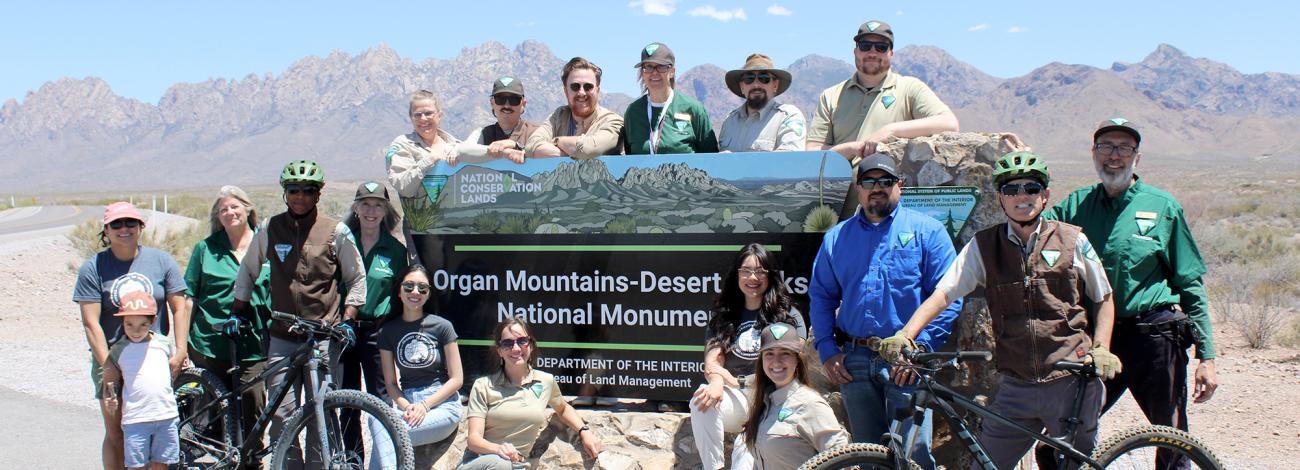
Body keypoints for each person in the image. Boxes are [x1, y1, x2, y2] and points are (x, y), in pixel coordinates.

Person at [889, 151, 1121, 469]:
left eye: (1031, 188)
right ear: (1001, 197)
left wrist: (1102, 349)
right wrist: (906, 334)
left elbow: (1104, 296)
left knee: (1074, 465)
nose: (1021, 196)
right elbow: (942, 294)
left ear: (1045, 195)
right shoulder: (984, 246)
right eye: (1012, 189)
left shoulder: (1072, 240)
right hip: (1016, 386)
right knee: (986, 466)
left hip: (1069, 379)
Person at [1046, 118, 1218, 469]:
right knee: (1060, 437)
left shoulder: (1162, 207)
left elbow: (1190, 284)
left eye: (1124, 148)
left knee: (1170, 437)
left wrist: (1208, 357)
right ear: (1093, 154)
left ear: (1137, 157)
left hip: (1154, 337)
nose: (1115, 156)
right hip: (1098, 341)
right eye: (1107, 147)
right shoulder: (1074, 206)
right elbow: (1032, 227)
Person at [807, 154, 960, 469]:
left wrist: (922, 347)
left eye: (885, 181)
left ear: (899, 186)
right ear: (858, 188)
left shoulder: (927, 232)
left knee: (913, 455)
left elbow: (949, 297)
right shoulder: (836, 239)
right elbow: (821, 296)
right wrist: (827, 349)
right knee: (867, 457)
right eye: (869, 181)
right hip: (854, 361)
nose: (877, 188)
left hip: (907, 361)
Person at [232, 159, 367, 469]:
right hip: (282, 336)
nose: (300, 196)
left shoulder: (336, 230)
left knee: (321, 410)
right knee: (282, 413)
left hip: (322, 337)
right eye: (294, 190)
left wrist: (348, 318)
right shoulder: (270, 228)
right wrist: (237, 310)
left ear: (318, 195)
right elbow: (248, 270)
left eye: (308, 190)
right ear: (285, 192)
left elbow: (356, 277)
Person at [74, 201, 188, 470]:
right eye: (116, 224)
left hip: (154, 360)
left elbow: (180, 307)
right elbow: (91, 323)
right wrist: (110, 365)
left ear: (140, 227)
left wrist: (181, 349)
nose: (124, 229)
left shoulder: (161, 261)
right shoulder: (94, 268)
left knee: (155, 430)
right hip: (111, 357)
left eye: (130, 223)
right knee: (118, 432)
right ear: (106, 230)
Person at [806, 20, 960, 218]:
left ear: (891, 53)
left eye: (881, 47)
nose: (872, 52)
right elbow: (812, 153)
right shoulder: (831, 96)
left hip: (890, 212)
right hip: (839, 213)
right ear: (855, 51)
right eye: (865, 46)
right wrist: (853, 148)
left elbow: (949, 123)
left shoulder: (909, 89)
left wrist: (890, 131)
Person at [691, 243, 807, 470]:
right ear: (737, 275)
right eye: (746, 271)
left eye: (760, 271)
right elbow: (712, 360)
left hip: (771, 398)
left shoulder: (788, 315)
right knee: (701, 399)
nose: (752, 277)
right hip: (737, 393)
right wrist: (716, 381)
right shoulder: (724, 316)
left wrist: (760, 382)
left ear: (770, 275)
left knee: (745, 453)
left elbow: (793, 359)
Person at [183, 185, 271, 459]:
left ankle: (253, 462)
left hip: (255, 344)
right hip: (211, 345)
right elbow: (188, 298)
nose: (230, 212)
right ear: (217, 217)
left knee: (253, 410)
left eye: (235, 206)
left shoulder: (266, 243)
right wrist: (181, 347)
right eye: (223, 209)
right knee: (219, 416)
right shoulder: (206, 249)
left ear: (248, 209)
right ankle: (222, 460)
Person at [460, 318, 601, 469]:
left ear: (531, 345)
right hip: (482, 462)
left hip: (518, 466)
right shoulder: (483, 386)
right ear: (499, 350)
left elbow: (563, 408)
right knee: (501, 465)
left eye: (522, 341)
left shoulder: (545, 381)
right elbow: (474, 440)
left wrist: (584, 431)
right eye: (507, 343)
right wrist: (498, 450)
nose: (516, 348)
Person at [339, 181, 411, 459]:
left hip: (376, 334)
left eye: (378, 205)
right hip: (344, 333)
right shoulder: (343, 243)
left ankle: (384, 460)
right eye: (365, 204)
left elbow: (399, 295)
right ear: (356, 208)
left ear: (385, 210)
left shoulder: (394, 249)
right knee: (346, 400)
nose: (371, 211)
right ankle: (351, 459)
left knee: (381, 401)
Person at [386, 90, 522, 232]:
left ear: (439, 115)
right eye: (417, 114)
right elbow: (404, 187)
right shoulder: (403, 145)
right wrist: (429, 160)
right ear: (411, 118)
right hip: (422, 232)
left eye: (428, 113)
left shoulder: (455, 146)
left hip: (456, 229)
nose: (423, 118)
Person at [369, 265, 464, 469]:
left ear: (429, 294)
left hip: (441, 405)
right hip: (408, 406)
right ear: (399, 291)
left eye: (422, 288)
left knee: (386, 433)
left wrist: (424, 406)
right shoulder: (387, 331)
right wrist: (408, 406)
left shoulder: (442, 326)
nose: (415, 292)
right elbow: (391, 384)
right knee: (375, 420)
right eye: (409, 286)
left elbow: (457, 379)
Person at [744, 323, 849, 469]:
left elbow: (843, 460)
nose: (776, 361)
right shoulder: (764, 404)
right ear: (761, 360)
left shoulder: (810, 404)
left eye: (785, 353)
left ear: (797, 360)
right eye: (769, 353)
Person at [103, 291, 180, 470]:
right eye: (129, 324)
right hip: (136, 419)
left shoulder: (163, 344)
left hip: (166, 416)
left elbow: (169, 373)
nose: (135, 331)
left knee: (162, 463)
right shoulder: (119, 349)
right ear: (122, 322)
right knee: (136, 465)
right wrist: (111, 396)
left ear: (152, 320)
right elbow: (110, 379)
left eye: (142, 324)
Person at [623, 42, 719, 155]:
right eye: (648, 67)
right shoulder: (633, 112)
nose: (654, 72)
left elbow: (711, 157)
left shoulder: (693, 108)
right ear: (642, 73)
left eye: (661, 67)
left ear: (672, 72)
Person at [525, 57, 625, 159]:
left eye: (588, 87)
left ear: (597, 91)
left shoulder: (613, 121)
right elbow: (531, 147)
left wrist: (555, 141)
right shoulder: (558, 116)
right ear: (566, 91)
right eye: (575, 86)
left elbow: (588, 150)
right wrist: (568, 153)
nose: (581, 92)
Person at [718, 54, 806, 152]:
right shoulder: (730, 121)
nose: (756, 84)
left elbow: (789, 161)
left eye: (764, 78)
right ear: (742, 86)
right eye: (749, 78)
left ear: (775, 85)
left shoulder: (787, 117)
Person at [465, 76, 539, 157]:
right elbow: (464, 151)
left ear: (523, 104)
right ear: (492, 103)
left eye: (514, 100)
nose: (507, 106)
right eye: (500, 99)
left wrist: (517, 147)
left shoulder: (536, 133)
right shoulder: (483, 134)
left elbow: (550, 154)